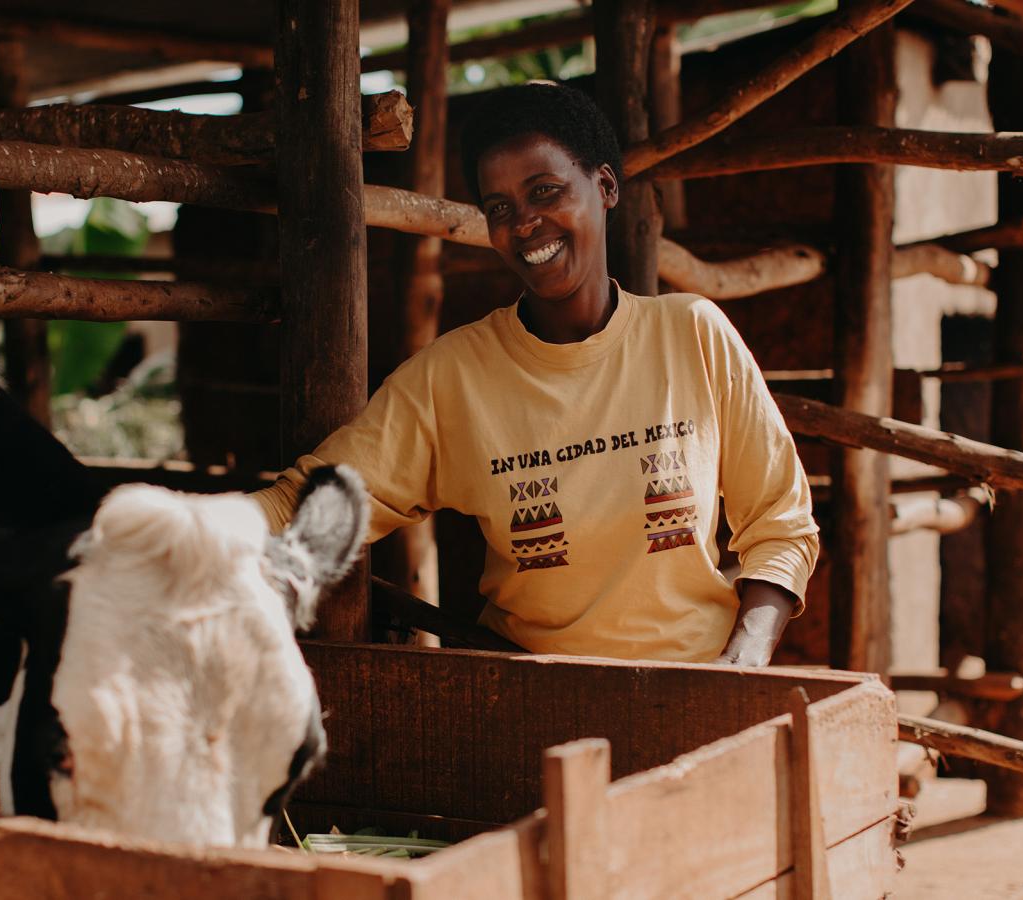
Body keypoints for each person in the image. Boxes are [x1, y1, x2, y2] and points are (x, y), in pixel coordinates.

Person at [253, 82, 817, 666]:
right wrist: (186, 528)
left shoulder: (693, 335)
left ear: (605, 187)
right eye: (500, 208)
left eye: (544, 191)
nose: (524, 223)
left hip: (699, 692)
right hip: (531, 701)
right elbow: (312, 499)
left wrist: (743, 662)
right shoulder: (453, 378)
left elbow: (782, 522)